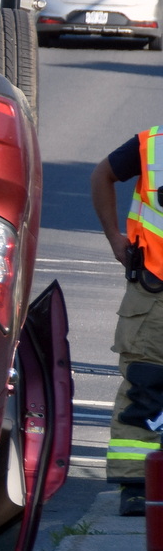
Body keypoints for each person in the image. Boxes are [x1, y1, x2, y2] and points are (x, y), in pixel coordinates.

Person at [91, 126, 163, 515]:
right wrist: (114, 238)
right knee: (146, 388)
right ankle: (136, 485)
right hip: (156, 295)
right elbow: (102, 175)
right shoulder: (152, 145)